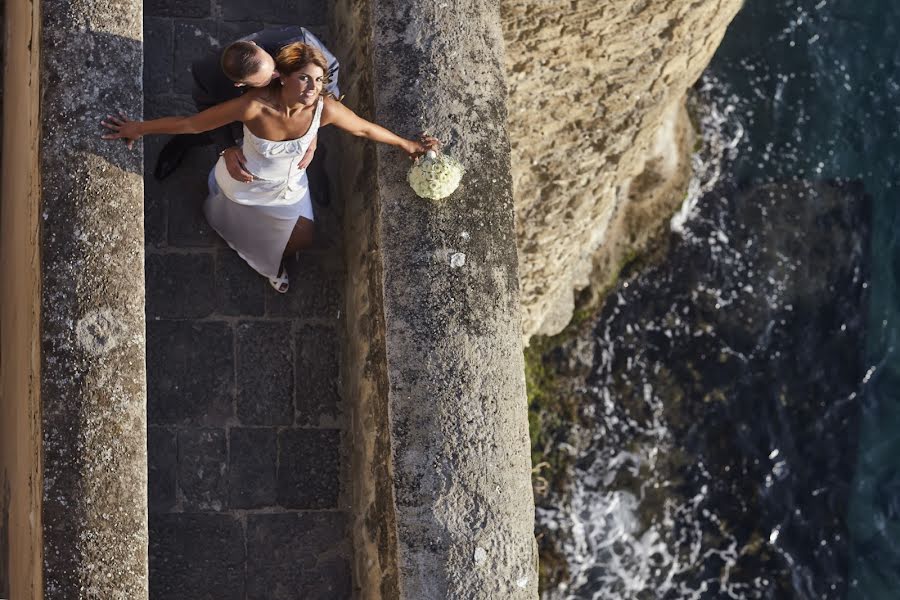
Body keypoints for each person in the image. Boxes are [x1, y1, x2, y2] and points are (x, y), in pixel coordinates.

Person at [103, 42, 437, 293]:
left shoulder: (325, 108)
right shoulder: (253, 106)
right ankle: (264, 261)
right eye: (304, 79)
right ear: (282, 78)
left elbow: (364, 128)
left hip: (290, 185)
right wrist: (137, 128)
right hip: (248, 182)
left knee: (303, 238)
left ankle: (269, 255)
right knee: (251, 225)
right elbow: (191, 124)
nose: (312, 88)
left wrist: (407, 145)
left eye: (319, 80)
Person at [155, 25, 340, 201]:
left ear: (255, 45)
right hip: (243, 115)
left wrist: (313, 126)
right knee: (208, 128)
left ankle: (313, 165)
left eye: (274, 67)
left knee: (303, 137)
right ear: (240, 84)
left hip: (299, 108)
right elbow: (206, 109)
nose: (278, 76)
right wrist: (226, 147)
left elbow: (330, 71)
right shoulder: (209, 72)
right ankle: (182, 142)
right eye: (268, 79)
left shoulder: (300, 41)